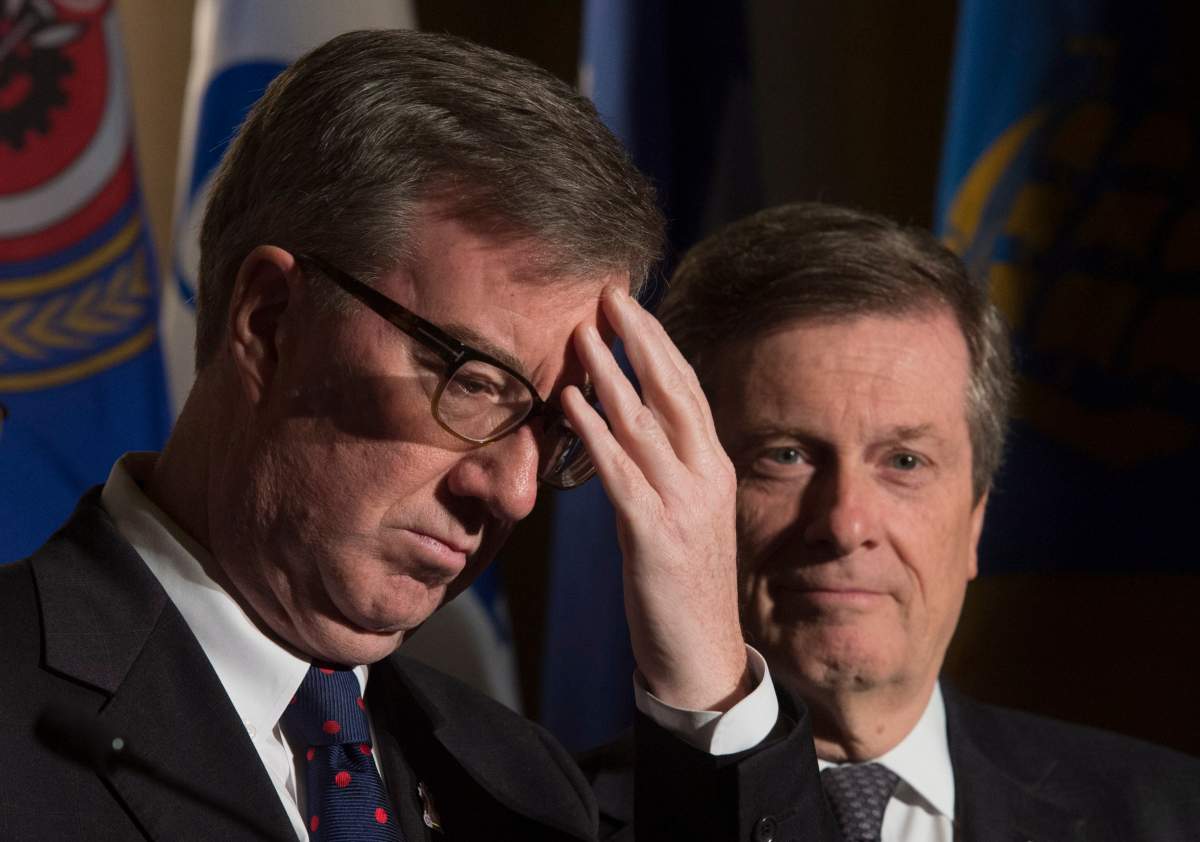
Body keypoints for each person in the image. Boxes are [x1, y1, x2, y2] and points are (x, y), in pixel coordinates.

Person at [0, 33, 838, 842]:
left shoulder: (517, 784)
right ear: (269, 323)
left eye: (556, 429)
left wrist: (709, 692)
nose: (512, 493)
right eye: (475, 384)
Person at [584, 202, 1200, 841]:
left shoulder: (1172, 815)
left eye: (905, 461)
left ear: (976, 519)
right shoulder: (546, 824)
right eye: (786, 456)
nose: (846, 524)